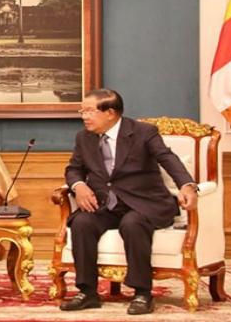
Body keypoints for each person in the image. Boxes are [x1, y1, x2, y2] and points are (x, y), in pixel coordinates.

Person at [60, 89, 197, 315]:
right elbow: (74, 169)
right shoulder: (84, 137)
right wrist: (79, 186)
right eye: (82, 111)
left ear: (110, 113)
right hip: (105, 204)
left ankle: (142, 293)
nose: (84, 116)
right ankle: (87, 292)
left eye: (89, 111)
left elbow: (167, 158)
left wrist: (187, 185)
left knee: (132, 224)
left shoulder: (143, 132)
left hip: (143, 202)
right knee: (82, 223)